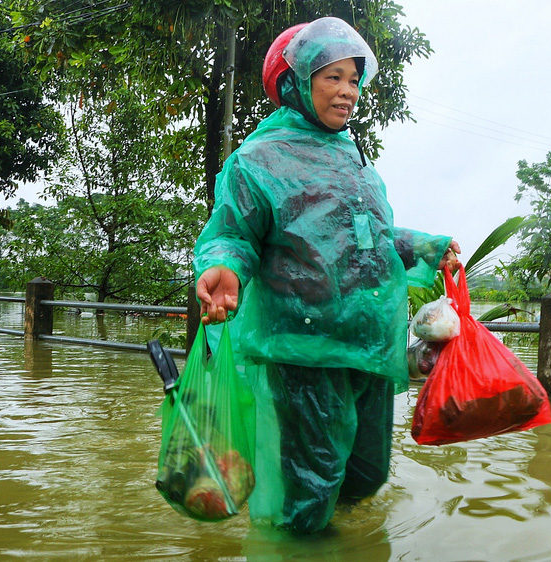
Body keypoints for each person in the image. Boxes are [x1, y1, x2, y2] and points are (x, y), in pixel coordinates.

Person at [192, 16, 460, 533]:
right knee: (309, 489)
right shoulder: (258, 159)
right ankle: (295, 545)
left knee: (365, 475)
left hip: (366, 346)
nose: (348, 91)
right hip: (303, 351)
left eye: (354, 79)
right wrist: (223, 266)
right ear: (296, 82)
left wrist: (427, 245)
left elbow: (368, 238)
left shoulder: (354, 159)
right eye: (333, 76)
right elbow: (233, 232)